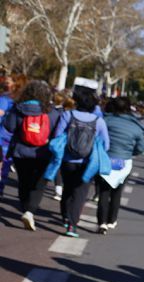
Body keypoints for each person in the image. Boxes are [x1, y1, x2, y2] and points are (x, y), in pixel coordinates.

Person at [52, 88, 109, 237]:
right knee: (80, 193)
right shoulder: (99, 121)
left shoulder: (67, 115)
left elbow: (58, 135)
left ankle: (65, 215)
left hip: (67, 159)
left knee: (68, 188)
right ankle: (72, 225)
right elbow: (106, 145)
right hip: (88, 162)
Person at [2, 79, 58, 231]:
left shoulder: (18, 108)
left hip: (21, 152)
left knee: (23, 181)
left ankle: (25, 206)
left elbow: (9, 126)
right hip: (43, 153)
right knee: (38, 184)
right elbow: (56, 132)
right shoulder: (51, 111)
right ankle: (30, 211)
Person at [96, 96, 144, 234]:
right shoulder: (136, 126)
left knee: (103, 193)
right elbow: (141, 147)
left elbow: (98, 138)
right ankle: (112, 220)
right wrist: (130, 152)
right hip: (124, 162)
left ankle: (102, 222)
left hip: (106, 159)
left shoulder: (106, 121)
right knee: (117, 192)